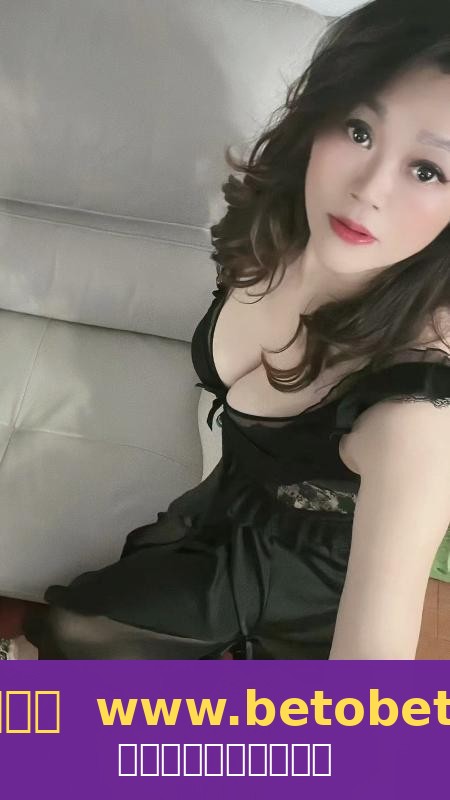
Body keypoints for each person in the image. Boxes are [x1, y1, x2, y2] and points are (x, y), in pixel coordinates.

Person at [23, 0, 450, 659]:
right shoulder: (277, 227)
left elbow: (374, 705)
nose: (368, 189)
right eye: (359, 130)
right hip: (220, 522)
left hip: (297, 621)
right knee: (69, 638)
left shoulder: (415, 418)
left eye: (427, 170)